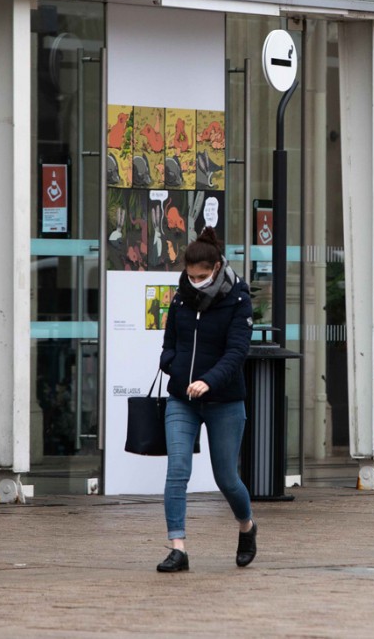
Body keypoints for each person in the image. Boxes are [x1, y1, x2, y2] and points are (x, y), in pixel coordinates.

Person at [155, 227, 257, 573]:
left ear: (216, 268)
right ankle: (177, 548)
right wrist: (174, 367)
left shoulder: (238, 299)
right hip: (182, 398)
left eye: (201, 276)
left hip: (224, 401)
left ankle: (247, 526)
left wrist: (208, 382)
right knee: (177, 469)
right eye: (190, 275)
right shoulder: (181, 297)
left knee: (226, 478)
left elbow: (236, 352)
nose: (194, 281)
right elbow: (169, 343)